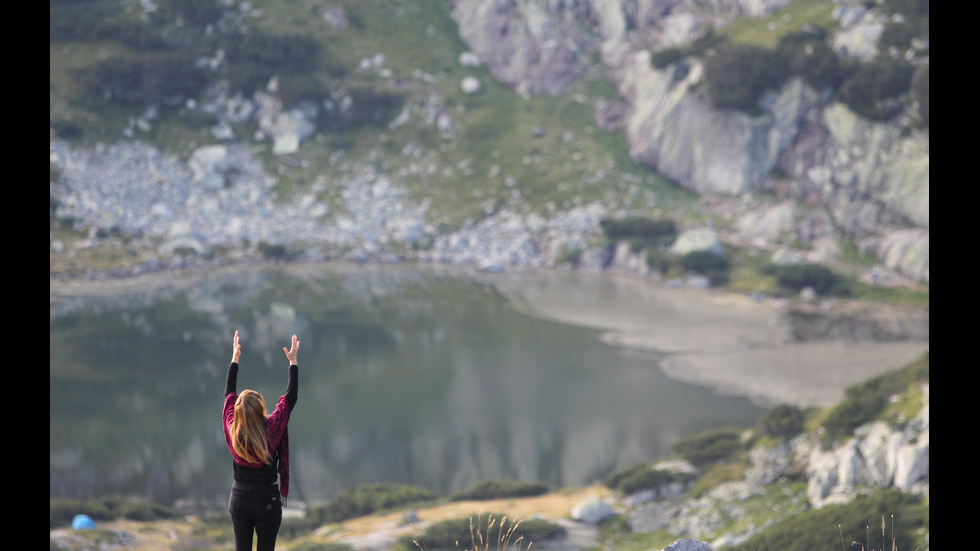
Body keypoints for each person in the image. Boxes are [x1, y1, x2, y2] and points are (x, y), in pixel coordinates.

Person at [222, 330, 300, 551]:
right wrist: (293, 362)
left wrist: (234, 360)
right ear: (261, 410)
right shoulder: (272, 429)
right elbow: (290, 399)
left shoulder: (232, 429)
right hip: (266, 500)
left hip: (238, 499)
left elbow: (228, 395)